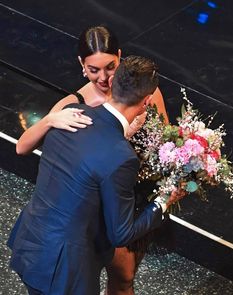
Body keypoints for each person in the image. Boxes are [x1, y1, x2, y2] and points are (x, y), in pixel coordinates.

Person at [8, 56, 182, 295]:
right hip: (64, 268)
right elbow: (122, 233)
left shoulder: (70, 114)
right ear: (147, 102)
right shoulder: (122, 157)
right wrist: (164, 202)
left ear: (113, 83)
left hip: (30, 240)